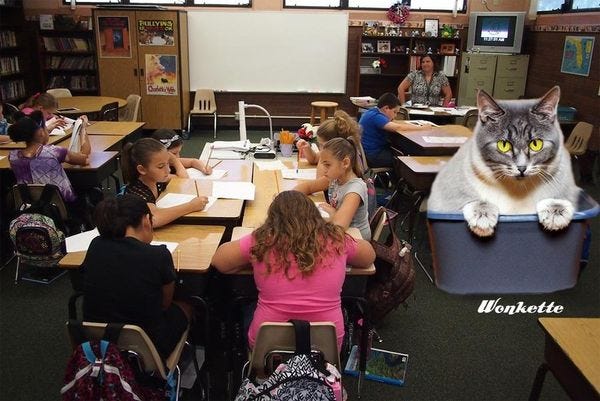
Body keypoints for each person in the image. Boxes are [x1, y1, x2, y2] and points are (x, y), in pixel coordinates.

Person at [211, 190, 375, 351]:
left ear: (272, 220)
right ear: (315, 216)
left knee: (246, 306)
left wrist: (251, 259)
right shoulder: (336, 239)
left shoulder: (262, 240)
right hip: (326, 349)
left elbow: (219, 261)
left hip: (267, 347)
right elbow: (369, 257)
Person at [82, 194, 192, 359]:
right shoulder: (159, 255)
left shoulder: (95, 245)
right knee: (187, 304)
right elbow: (164, 304)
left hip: (99, 342)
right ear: (146, 220)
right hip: (146, 348)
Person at [294, 137, 371, 240]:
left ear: (345, 163)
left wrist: (333, 213)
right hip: (339, 230)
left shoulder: (355, 190)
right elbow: (308, 187)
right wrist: (288, 197)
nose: (324, 169)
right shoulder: (335, 178)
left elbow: (340, 226)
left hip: (355, 238)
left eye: (327, 165)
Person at [122, 137, 208, 228]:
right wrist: (191, 206)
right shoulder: (137, 191)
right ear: (142, 170)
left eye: (168, 163)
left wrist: (174, 160)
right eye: (161, 166)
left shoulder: (155, 179)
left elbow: (182, 179)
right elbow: (154, 219)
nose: (168, 170)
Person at [8, 111, 90, 204]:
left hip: (29, 205)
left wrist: (44, 132)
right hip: (61, 205)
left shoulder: (13, 157)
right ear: (41, 132)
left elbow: (35, 157)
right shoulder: (55, 152)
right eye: (45, 128)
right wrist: (83, 129)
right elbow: (85, 158)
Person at [359, 92, 429, 168]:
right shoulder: (376, 117)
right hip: (374, 156)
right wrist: (422, 128)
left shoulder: (371, 112)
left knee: (401, 150)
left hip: (368, 153)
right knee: (405, 160)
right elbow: (398, 128)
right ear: (386, 108)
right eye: (395, 112)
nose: (395, 116)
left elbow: (393, 123)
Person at [295, 110, 361, 166]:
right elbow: (314, 159)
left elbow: (327, 177)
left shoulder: (344, 160)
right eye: (319, 144)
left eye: (322, 145)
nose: (320, 148)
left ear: (337, 144)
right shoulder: (333, 151)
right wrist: (307, 148)